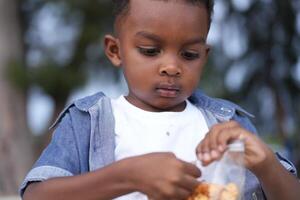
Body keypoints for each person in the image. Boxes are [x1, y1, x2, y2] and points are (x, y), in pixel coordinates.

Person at [20, 0, 300, 200]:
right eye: (151, 50)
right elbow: (37, 195)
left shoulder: (227, 125)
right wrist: (128, 176)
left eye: (189, 54)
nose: (171, 67)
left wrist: (266, 164)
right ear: (115, 51)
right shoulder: (89, 121)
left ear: (205, 55)